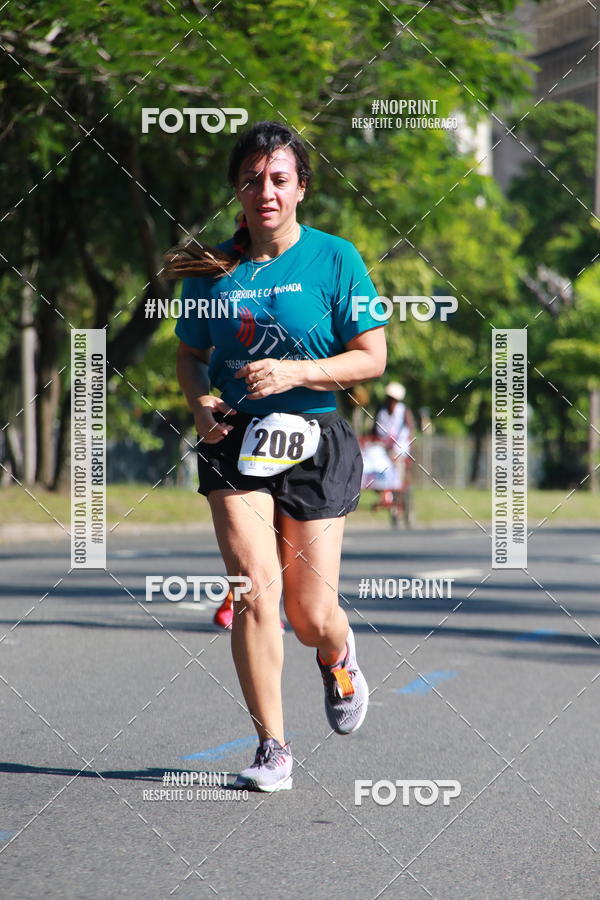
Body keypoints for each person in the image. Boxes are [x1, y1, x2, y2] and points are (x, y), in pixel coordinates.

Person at [166, 121, 387, 792]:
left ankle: (338, 652)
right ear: (237, 187)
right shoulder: (212, 269)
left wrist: (295, 373)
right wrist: (198, 402)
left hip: (314, 439)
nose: (266, 190)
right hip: (233, 440)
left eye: (279, 179)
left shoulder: (335, 258)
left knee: (307, 615)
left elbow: (371, 357)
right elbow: (189, 353)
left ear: (301, 188)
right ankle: (273, 748)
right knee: (252, 589)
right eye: (253, 178)